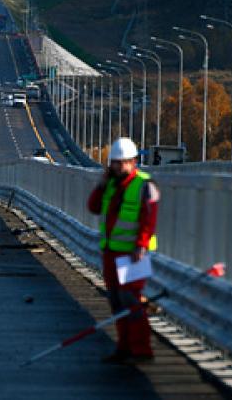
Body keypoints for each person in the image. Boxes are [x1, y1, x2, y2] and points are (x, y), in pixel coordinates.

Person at [87, 137, 160, 364]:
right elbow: (94, 207)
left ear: (133, 161)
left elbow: (149, 219)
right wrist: (100, 184)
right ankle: (124, 347)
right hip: (111, 251)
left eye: (122, 163)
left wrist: (141, 244)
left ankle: (141, 349)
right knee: (117, 301)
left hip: (133, 254)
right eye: (114, 163)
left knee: (132, 301)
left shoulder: (144, 185)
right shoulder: (110, 184)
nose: (117, 167)